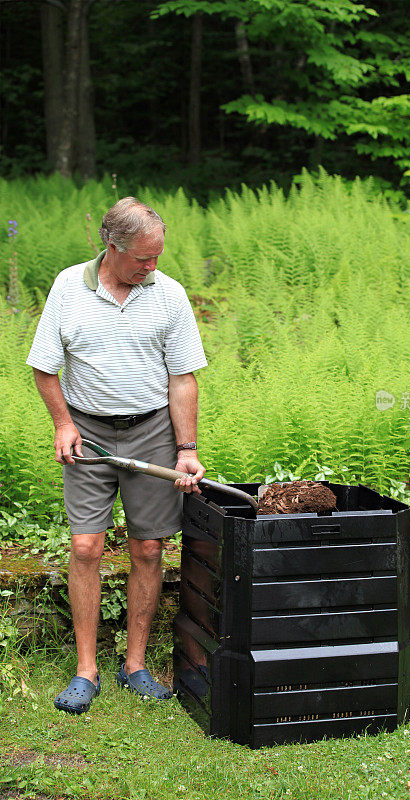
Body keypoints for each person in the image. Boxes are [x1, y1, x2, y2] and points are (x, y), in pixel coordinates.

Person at [26, 197, 208, 714]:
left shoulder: (168, 294)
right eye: (143, 259)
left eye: (158, 256)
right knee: (85, 546)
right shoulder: (67, 288)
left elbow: (183, 377)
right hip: (86, 431)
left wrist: (186, 448)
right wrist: (63, 424)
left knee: (148, 550)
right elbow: (44, 367)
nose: (153, 267)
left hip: (151, 430)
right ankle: (86, 670)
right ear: (112, 247)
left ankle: (135, 665)